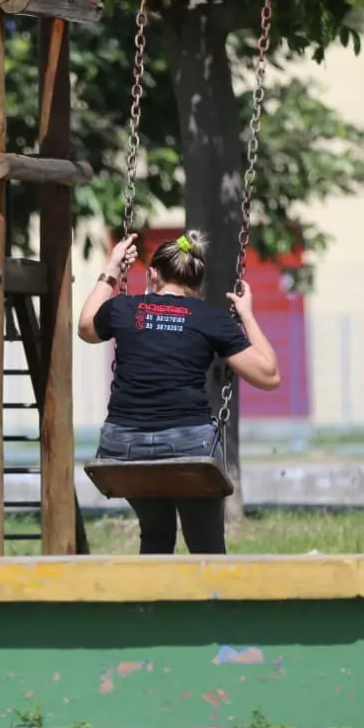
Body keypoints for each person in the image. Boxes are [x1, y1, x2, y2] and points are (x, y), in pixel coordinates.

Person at [78, 230, 281, 555]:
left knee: (156, 535)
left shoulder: (125, 308)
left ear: (153, 274)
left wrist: (113, 266)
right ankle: (213, 602)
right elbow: (269, 375)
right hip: (189, 446)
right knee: (205, 543)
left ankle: (151, 604)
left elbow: (86, 327)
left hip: (124, 446)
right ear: (198, 285)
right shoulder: (210, 318)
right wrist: (247, 314)